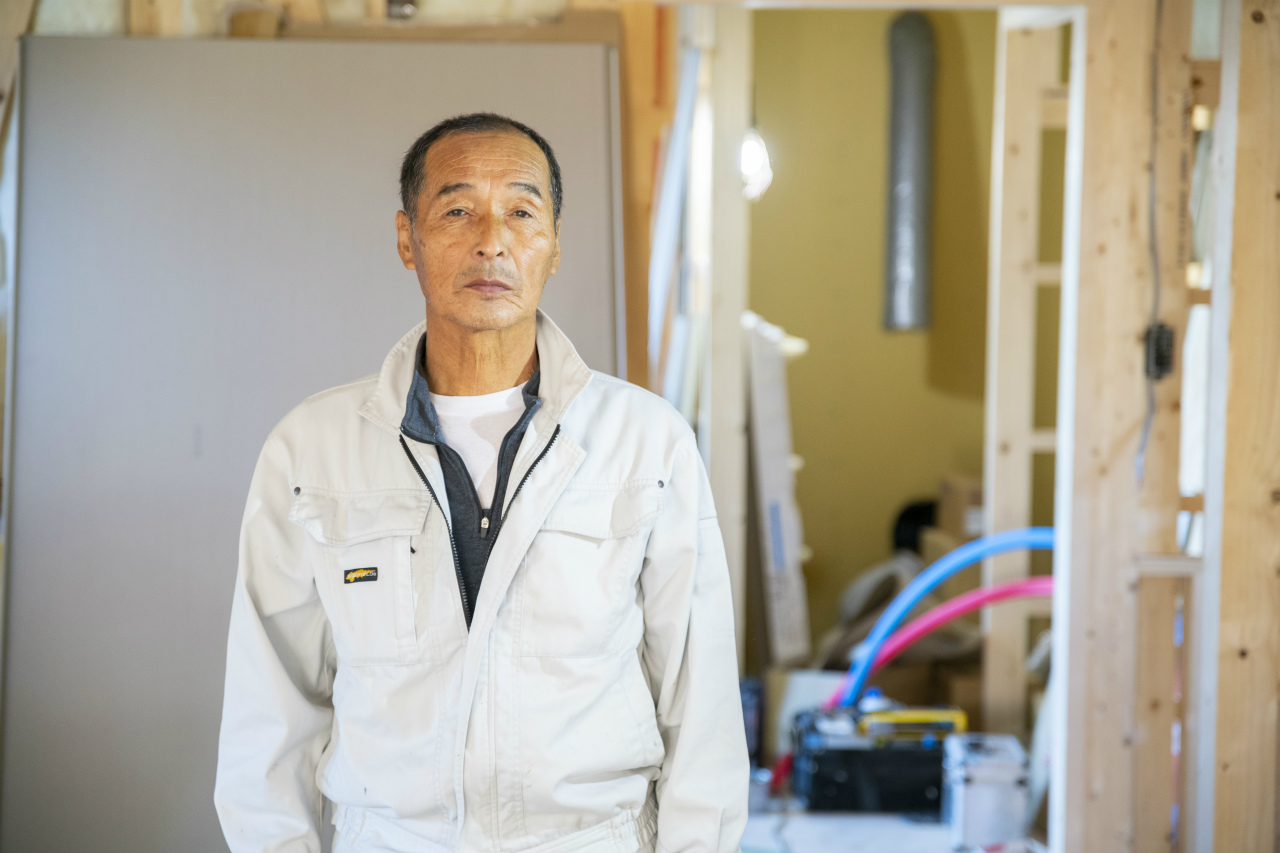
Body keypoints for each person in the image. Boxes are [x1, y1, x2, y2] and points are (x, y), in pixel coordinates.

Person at [214, 113, 749, 853]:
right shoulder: (312, 449)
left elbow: (701, 702)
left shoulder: (645, 441)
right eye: (458, 210)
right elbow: (268, 713)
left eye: (522, 213)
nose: (491, 241)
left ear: (554, 243)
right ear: (407, 239)